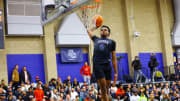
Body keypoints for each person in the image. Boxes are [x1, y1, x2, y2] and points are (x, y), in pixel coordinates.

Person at [87, 25, 118, 101]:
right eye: (101, 30)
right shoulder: (96, 39)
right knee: (103, 88)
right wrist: (96, 26)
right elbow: (88, 30)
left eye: (105, 30)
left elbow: (113, 57)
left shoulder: (112, 42)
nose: (103, 31)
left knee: (107, 90)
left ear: (109, 33)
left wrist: (116, 72)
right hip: (97, 65)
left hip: (107, 65)